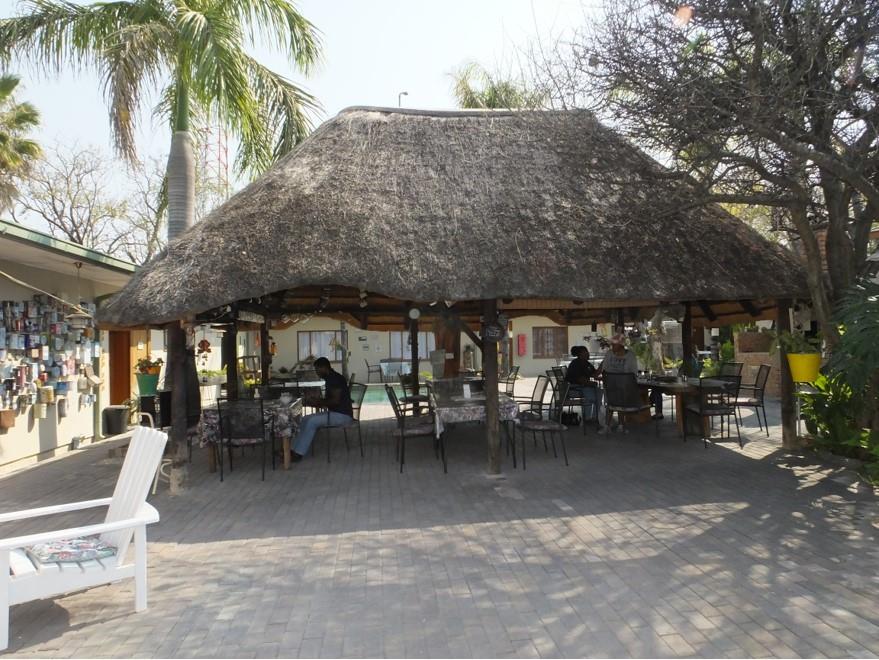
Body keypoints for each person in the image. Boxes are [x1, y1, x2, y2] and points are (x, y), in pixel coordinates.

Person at [290, 357, 353, 462]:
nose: (316, 372)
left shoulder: (335, 379)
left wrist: (317, 402)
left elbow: (335, 401)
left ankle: (298, 454)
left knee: (312, 421)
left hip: (342, 415)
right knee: (305, 419)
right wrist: (317, 401)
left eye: (317, 369)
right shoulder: (330, 377)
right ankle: (291, 450)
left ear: (324, 368)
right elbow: (330, 400)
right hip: (335, 412)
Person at [598, 333, 665, 422]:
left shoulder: (629, 356)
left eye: (614, 345)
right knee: (617, 398)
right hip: (614, 388)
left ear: (621, 345)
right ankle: (617, 424)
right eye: (612, 345)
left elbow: (631, 373)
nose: (612, 346)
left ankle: (615, 424)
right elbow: (605, 370)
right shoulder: (610, 354)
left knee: (616, 399)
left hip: (623, 389)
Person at [565, 346, 600, 422]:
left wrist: (602, 367)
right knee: (590, 394)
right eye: (586, 352)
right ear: (580, 354)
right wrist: (591, 383)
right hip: (574, 388)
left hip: (583, 387)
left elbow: (594, 374)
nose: (588, 354)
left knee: (599, 392)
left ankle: (595, 417)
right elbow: (580, 379)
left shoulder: (587, 364)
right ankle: (587, 418)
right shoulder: (575, 364)